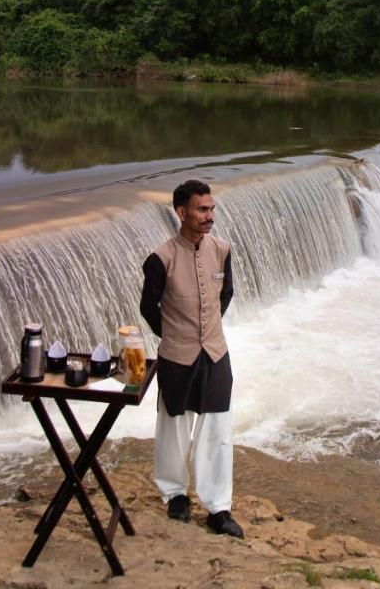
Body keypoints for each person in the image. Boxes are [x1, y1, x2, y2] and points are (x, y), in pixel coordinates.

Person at [138, 179, 243, 538]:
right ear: (181, 213)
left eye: (212, 209)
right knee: (173, 427)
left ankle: (218, 507)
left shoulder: (222, 250)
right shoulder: (160, 258)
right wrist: (173, 334)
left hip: (215, 353)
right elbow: (147, 307)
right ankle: (175, 495)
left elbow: (225, 295)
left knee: (218, 431)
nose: (210, 216)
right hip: (176, 355)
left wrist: (207, 329)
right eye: (202, 209)